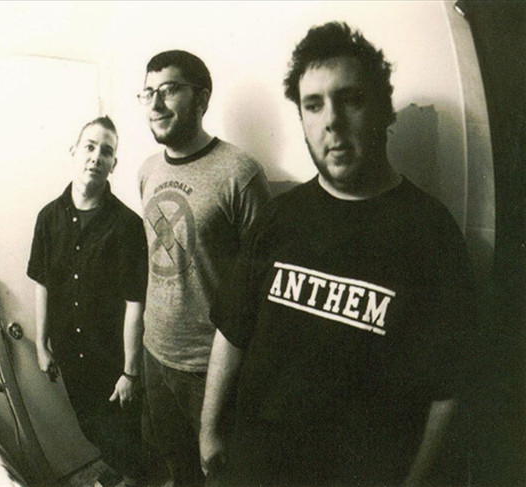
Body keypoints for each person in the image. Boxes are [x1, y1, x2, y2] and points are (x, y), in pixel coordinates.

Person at [200, 22, 476, 486]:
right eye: (313, 105)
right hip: (256, 466)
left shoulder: (431, 233)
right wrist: (209, 431)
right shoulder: (278, 216)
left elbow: (447, 390)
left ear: (383, 110)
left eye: (350, 99)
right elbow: (232, 329)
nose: (331, 120)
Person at [137, 50, 271, 486]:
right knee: (179, 472)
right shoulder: (147, 170)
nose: (155, 104)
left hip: (210, 370)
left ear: (202, 98)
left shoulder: (240, 174)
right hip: (155, 354)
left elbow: (261, 287)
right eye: (147, 93)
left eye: (169, 90)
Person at [27, 116, 148, 485]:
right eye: (90, 147)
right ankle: (121, 472)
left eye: (106, 151)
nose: (96, 156)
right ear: (74, 151)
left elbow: (135, 302)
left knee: (126, 438)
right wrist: (41, 344)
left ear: (114, 164)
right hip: (70, 355)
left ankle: (136, 478)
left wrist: (130, 372)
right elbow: (42, 283)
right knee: (91, 429)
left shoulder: (127, 225)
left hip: (111, 359)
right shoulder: (48, 218)